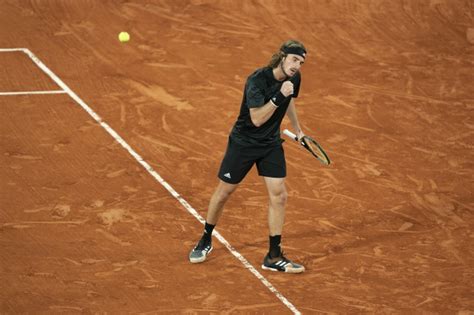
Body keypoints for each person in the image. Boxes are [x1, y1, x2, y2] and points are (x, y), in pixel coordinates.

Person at [189, 40, 307, 273]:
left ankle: (273, 256)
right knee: (224, 192)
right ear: (282, 56)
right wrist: (277, 97)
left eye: (301, 62)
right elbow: (257, 119)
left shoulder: (294, 79)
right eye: (294, 59)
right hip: (243, 144)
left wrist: (299, 129)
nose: (297, 66)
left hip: (270, 144)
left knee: (279, 195)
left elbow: (289, 100)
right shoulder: (257, 81)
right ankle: (205, 239)